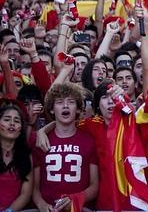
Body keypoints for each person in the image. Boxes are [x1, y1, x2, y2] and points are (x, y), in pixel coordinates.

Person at [32, 82, 99, 211]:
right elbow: (34, 187)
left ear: (79, 108)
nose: (65, 105)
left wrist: (77, 199)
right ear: (51, 109)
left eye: (71, 102)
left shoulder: (88, 140)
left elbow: (94, 185)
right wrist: (42, 205)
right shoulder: (40, 140)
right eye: (59, 102)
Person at [0, 103, 33, 210]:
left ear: (21, 128)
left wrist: (9, 211)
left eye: (17, 121)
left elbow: (25, 195)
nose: (12, 124)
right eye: (7, 119)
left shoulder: (26, 155)